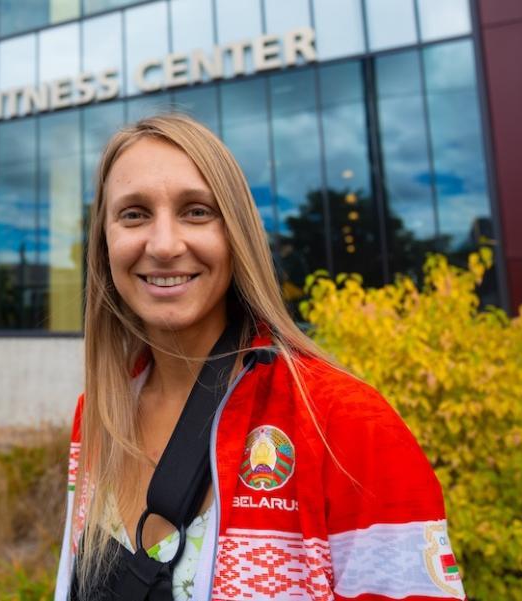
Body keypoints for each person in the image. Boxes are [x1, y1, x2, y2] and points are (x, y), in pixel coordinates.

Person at [54, 114, 465, 601]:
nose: (163, 245)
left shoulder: (343, 422)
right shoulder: (99, 413)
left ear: (237, 236)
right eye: (134, 214)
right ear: (104, 243)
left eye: (197, 211)